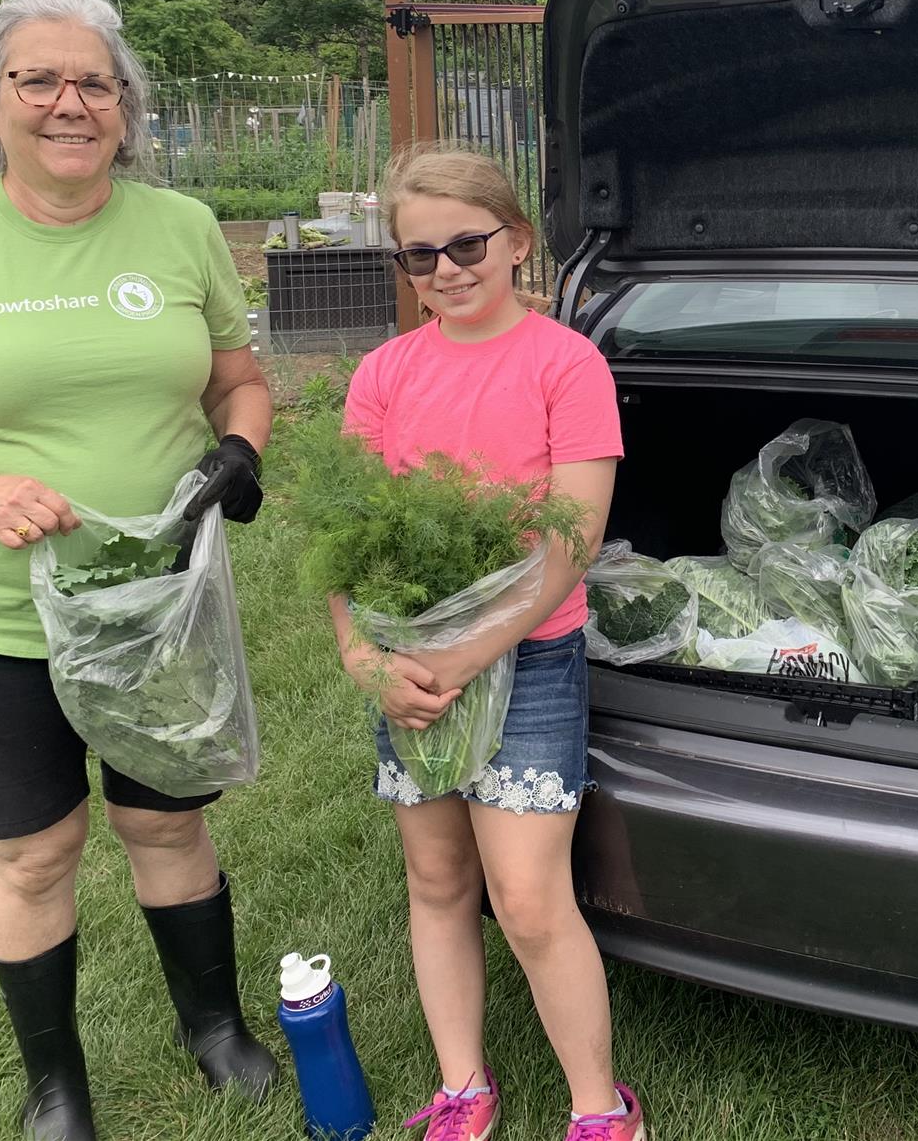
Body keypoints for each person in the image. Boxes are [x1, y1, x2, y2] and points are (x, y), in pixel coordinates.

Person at [0, 0, 278, 1141]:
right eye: (39, 80)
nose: (70, 104)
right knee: (33, 853)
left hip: (157, 608)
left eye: (96, 83)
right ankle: (56, 1088)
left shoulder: (182, 229)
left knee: (167, 825)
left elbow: (237, 379)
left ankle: (215, 1027)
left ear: (126, 109)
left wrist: (240, 448)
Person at [329, 145, 646, 1141]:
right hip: (411, 661)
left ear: (516, 241)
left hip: (531, 656)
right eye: (419, 256)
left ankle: (599, 1105)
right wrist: (361, 654)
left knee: (527, 897)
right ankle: (462, 1083)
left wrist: (473, 652)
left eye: (467, 245)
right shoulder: (383, 374)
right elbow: (343, 535)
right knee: (436, 879)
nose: (446, 270)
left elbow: (571, 540)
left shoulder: (565, 363)